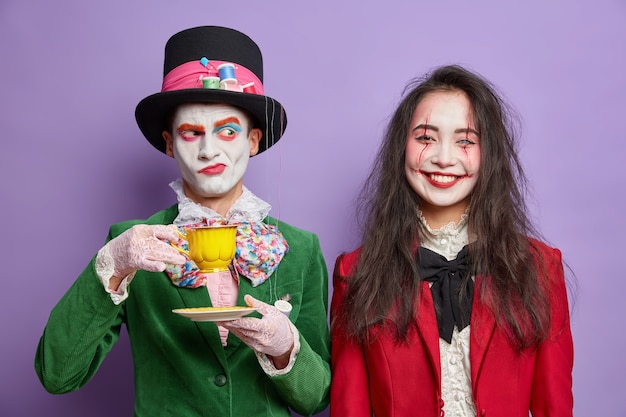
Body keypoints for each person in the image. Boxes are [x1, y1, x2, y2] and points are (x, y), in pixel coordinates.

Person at [35, 26, 330, 417]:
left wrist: (284, 347)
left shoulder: (302, 249)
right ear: (170, 143)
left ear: (253, 140)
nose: (209, 150)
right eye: (192, 133)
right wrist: (110, 266)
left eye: (227, 131)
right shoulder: (131, 243)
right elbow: (57, 375)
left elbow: (317, 398)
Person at [330, 65, 573, 416]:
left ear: (489, 153)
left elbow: (555, 407)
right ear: (402, 147)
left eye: (465, 140)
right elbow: (349, 409)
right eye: (426, 137)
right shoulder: (355, 274)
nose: (444, 157)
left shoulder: (539, 266)